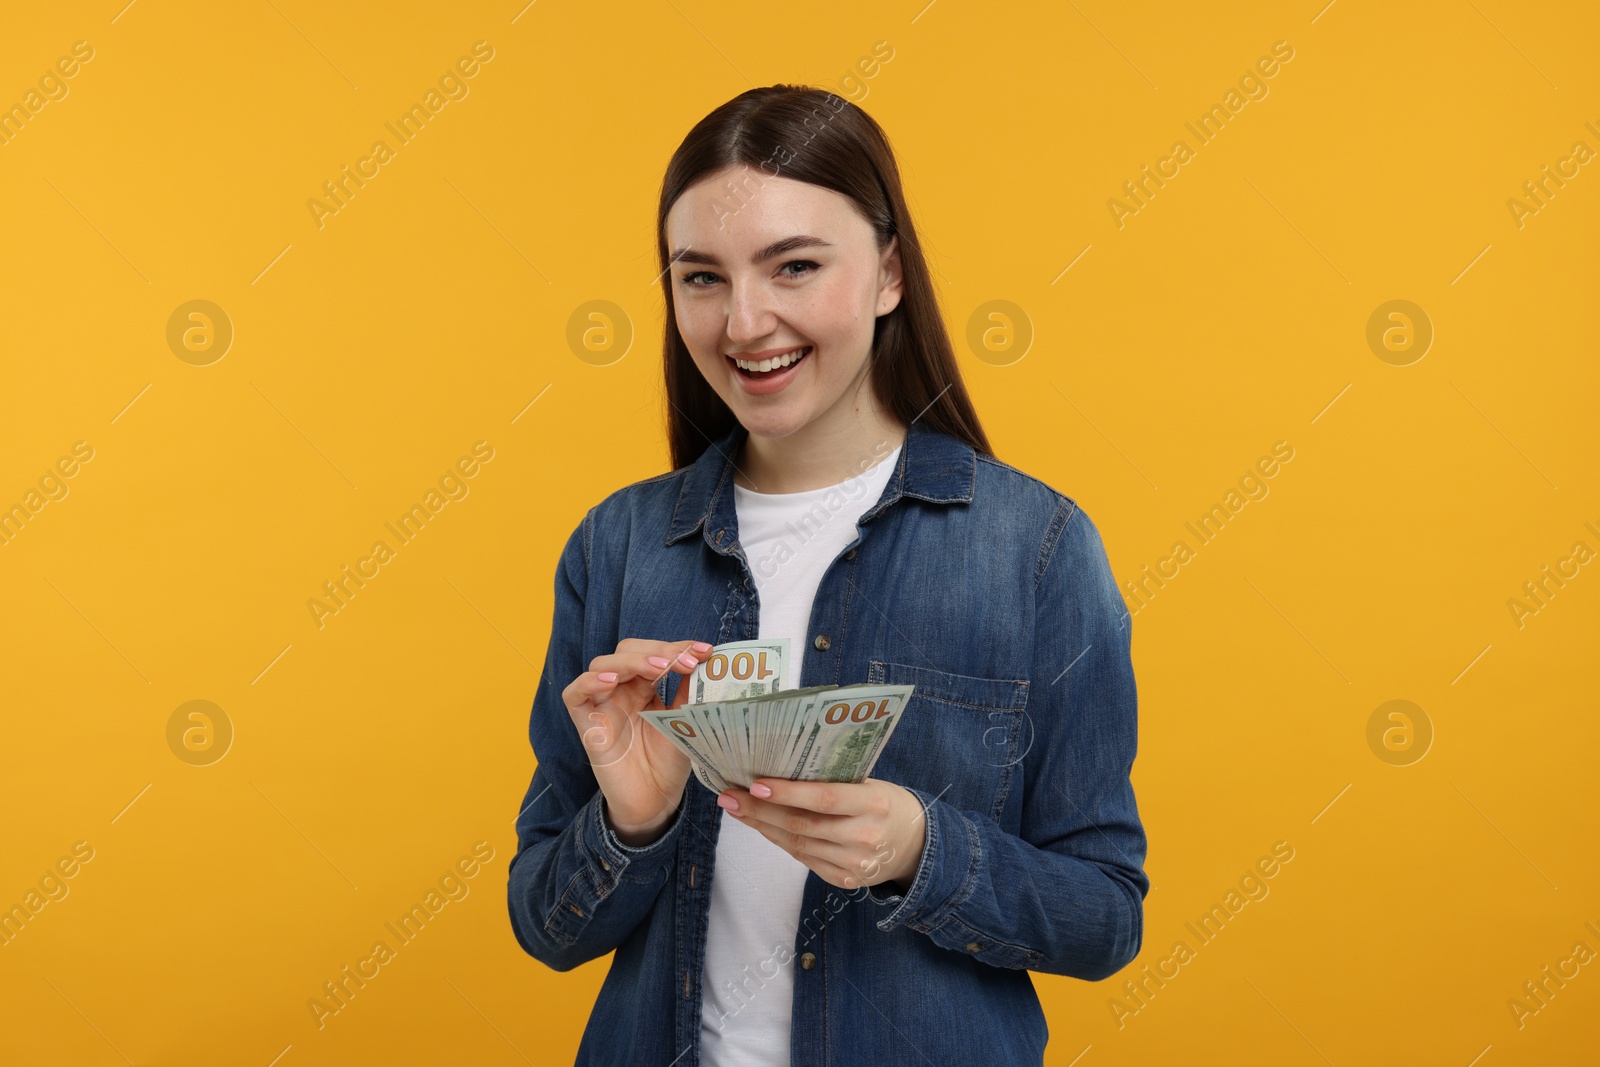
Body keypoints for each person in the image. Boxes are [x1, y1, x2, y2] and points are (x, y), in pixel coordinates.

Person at [507, 84, 1148, 1067]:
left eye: (794, 266)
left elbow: (1104, 915)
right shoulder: (618, 546)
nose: (744, 321)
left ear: (889, 274)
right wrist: (631, 822)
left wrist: (918, 849)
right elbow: (547, 925)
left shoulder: (1038, 549)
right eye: (701, 278)